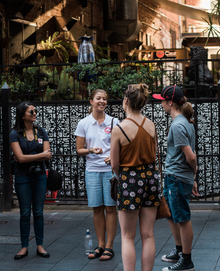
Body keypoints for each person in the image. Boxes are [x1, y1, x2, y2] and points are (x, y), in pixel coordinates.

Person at [110, 84, 159, 271]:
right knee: (148, 235)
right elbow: (155, 154)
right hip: (151, 178)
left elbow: (115, 164)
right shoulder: (151, 125)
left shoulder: (119, 129)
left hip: (129, 180)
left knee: (127, 236)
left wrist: (122, 176)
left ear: (125, 101)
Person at [153, 85, 198, 271]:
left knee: (182, 217)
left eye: (162, 100)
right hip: (176, 176)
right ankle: (180, 251)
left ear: (170, 102)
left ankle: (186, 261)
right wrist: (192, 177)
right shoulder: (184, 123)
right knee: (171, 214)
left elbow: (191, 156)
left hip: (177, 178)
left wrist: (192, 175)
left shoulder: (178, 125)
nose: (161, 103)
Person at [75, 89, 118, 261]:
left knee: (110, 207)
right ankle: (100, 245)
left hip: (110, 170)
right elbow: (79, 150)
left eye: (105, 99)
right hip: (92, 170)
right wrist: (90, 150)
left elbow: (120, 146)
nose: (102, 101)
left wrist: (113, 157)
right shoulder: (83, 123)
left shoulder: (114, 122)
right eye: (98, 98)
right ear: (91, 101)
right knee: (97, 208)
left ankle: (109, 246)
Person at [9, 102, 52, 260]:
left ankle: (40, 245)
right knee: (25, 212)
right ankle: (24, 246)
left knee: (39, 212)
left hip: (39, 175)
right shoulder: (15, 134)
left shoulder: (40, 131)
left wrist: (28, 158)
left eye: (35, 111)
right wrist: (40, 156)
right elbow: (19, 158)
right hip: (22, 176)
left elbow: (48, 153)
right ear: (22, 115)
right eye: (31, 111)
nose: (34, 113)